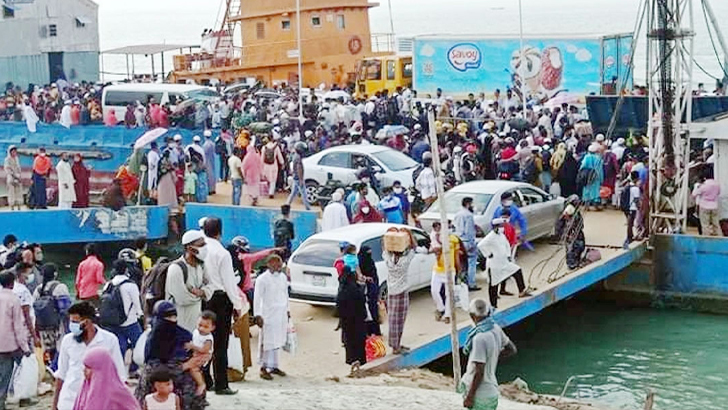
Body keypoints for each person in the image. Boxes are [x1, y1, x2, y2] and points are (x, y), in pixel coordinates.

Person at [52, 302, 127, 410]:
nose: (71, 325)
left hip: (99, 401)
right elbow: (61, 374)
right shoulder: (68, 341)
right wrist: (55, 405)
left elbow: (120, 375)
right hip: (69, 400)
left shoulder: (109, 340)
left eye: (75, 322)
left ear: (87, 322)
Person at [135, 301, 204, 410]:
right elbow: (153, 370)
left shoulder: (184, 336)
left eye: (174, 317)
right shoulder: (154, 340)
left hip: (184, 392)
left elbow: (195, 361)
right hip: (157, 389)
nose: (172, 321)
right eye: (167, 318)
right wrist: (184, 366)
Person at [201, 218, 243, 395]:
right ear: (220, 232)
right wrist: (237, 304)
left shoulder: (200, 250)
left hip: (204, 298)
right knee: (220, 343)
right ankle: (221, 384)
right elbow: (229, 283)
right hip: (220, 299)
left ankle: (204, 379)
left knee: (203, 338)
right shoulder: (222, 253)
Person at [459, 299, 517, 410]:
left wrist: (470, 396)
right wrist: (493, 357)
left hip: (480, 394)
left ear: (472, 316)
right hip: (491, 391)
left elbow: (479, 371)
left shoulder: (479, 338)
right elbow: (512, 349)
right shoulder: (496, 328)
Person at [102, 260, 144, 377]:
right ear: (126, 270)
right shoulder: (130, 285)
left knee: (120, 346)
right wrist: (141, 315)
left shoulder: (108, 284)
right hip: (129, 321)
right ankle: (134, 369)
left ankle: (118, 372)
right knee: (139, 344)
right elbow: (137, 304)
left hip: (113, 322)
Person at [478, 218, 530, 309]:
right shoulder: (490, 236)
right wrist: (488, 254)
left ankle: (522, 291)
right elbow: (480, 245)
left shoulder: (501, 235)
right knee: (494, 284)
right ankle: (493, 305)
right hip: (494, 265)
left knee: (517, 270)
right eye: (501, 226)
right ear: (495, 227)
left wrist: (508, 255)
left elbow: (506, 245)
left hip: (504, 262)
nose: (502, 228)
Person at [253, 255, 289, 381]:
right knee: (266, 341)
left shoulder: (283, 277)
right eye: (275, 263)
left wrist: (287, 311)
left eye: (279, 264)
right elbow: (257, 298)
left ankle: (273, 366)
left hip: (280, 313)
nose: (278, 266)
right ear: (269, 264)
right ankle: (263, 368)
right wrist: (257, 315)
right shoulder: (262, 279)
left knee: (277, 340)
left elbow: (285, 294)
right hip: (267, 314)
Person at [165, 230, 208, 333]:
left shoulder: (199, 267)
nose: (205, 248)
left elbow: (208, 286)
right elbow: (182, 299)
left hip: (195, 326)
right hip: (180, 327)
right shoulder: (176, 269)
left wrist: (200, 292)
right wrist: (201, 294)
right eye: (201, 245)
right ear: (190, 248)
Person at [72, 347, 140, 410]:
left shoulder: (119, 393)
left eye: (88, 367)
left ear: (99, 369)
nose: (84, 370)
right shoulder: (84, 390)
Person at [0, 272, 31, 410]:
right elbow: (18, 326)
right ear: (12, 283)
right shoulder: (14, 299)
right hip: (9, 344)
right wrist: (25, 347)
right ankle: (3, 400)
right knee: (8, 373)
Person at [382, 232, 417, 355]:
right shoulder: (405, 261)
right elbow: (414, 247)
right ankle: (396, 346)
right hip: (401, 292)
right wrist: (409, 235)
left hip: (391, 292)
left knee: (393, 320)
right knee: (400, 320)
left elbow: (384, 249)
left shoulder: (389, 260)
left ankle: (395, 344)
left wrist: (388, 240)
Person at [33, 264, 72, 366]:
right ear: (55, 274)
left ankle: (50, 369)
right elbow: (66, 309)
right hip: (58, 325)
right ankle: (57, 369)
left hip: (43, 326)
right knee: (61, 350)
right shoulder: (60, 287)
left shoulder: (38, 290)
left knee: (49, 351)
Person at [337, 266, 367, 374]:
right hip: (358, 321)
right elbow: (362, 303)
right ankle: (358, 362)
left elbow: (338, 306)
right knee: (359, 342)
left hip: (347, 322)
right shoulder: (356, 289)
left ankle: (352, 361)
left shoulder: (342, 288)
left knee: (349, 343)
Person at [431, 228, 461, 324]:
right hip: (437, 269)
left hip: (450, 270)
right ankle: (441, 308)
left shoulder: (454, 239)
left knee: (449, 294)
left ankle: (447, 315)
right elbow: (432, 249)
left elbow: (456, 255)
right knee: (434, 291)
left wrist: (458, 268)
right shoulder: (436, 238)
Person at [186, 311, 215, 397]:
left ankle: (201, 384)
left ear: (212, 327)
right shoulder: (196, 331)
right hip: (195, 353)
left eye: (206, 327)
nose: (201, 328)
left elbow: (204, 350)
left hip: (204, 356)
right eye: (200, 325)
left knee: (193, 368)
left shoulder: (208, 338)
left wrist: (192, 346)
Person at [454, 197, 480, 291]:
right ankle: (471, 283)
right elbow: (469, 231)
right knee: (472, 263)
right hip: (468, 241)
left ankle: (460, 283)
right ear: (468, 204)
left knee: (461, 264)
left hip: (459, 241)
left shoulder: (457, 214)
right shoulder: (468, 215)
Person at [555, 196, 586, 270]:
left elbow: (581, 225)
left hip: (577, 235)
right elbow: (559, 227)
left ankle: (576, 261)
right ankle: (571, 264)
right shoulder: (564, 216)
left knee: (579, 247)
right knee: (570, 250)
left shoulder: (577, 215)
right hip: (569, 236)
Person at [692, 167, 721, 237]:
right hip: (714, 206)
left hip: (704, 206)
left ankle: (707, 239)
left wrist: (697, 187)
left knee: (705, 225)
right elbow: (718, 193)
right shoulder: (717, 185)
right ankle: (719, 238)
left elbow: (694, 194)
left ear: (705, 177)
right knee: (716, 224)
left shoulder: (703, 186)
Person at [358, 246, 381, 336]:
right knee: (368, 312)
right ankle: (369, 331)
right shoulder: (360, 264)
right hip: (366, 291)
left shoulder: (370, 261)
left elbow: (375, 276)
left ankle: (375, 331)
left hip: (372, 291)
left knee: (373, 312)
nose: (369, 254)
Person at [286, 142, 311, 210]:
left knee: (293, 193)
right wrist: (301, 179)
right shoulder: (298, 158)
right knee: (304, 193)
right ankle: (308, 208)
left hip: (295, 177)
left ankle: (287, 204)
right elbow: (299, 169)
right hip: (298, 178)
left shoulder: (295, 156)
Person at [579, 144, 605, 209]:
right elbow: (600, 170)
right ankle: (595, 205)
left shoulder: (586, 157)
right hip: (596, 176)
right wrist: (601, 179)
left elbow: (582, 167)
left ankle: (586, 205)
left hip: (587, 176)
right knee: (596, 190)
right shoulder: (598, 158)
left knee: (586, 189)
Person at [624, 170, 642, 247]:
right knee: (630, 223)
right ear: (637, 178)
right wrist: (639, 207)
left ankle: (630, 236)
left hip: (627, 207)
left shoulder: (627, 186)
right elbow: (636, 199)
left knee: (630, 223)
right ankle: (629, 237)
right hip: (632, 208)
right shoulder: (635, 189)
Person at [4, 146, 24, 210]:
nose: (14, 152)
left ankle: (19, 205)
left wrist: (19, 176)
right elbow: (7, 169)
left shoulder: (17, 158)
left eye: (15, 151)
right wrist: (14, 175)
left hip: (18, 177)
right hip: (11, 177)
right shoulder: (7, 159)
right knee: (11, 192)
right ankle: (11, 206)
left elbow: (19, 168)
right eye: (13, 151)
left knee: (19, 192)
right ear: (10, 152)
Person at [202, 130, 217, 195]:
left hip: (207, 161)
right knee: (212, 175)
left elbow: (204, 154)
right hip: (212, 160)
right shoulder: (212, 144)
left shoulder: (205, 145)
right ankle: (213, 189)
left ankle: (210, 190)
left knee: (208, 176)